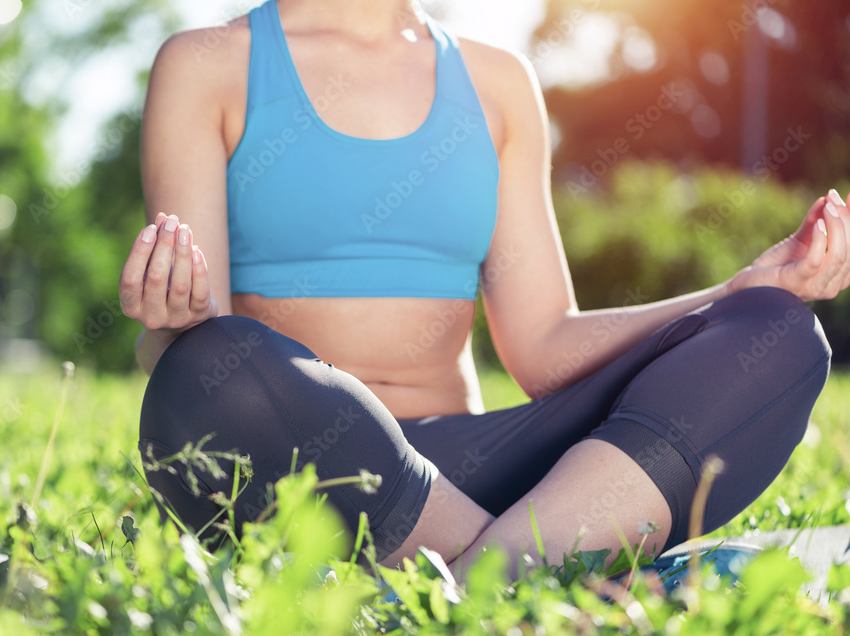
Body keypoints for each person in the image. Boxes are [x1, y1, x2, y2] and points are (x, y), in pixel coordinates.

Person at [118, 0, 847, 580]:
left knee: (774, 329)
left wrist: (737, 288)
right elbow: (194, 340)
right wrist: (168, 326)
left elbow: (544, 345)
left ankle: (477, 581)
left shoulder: (497, 83)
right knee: (206, 377)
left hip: (473, 468)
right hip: (307, 468)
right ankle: (553, 571)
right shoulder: (207, 65)